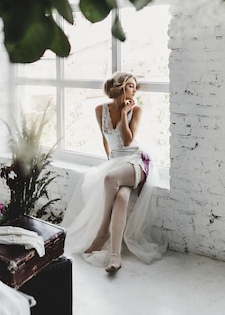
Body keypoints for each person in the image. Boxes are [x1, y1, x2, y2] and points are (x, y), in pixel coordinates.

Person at [61, 72, 167, 273]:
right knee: (121, 198)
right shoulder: (100, 110)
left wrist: (127, 112)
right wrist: (110, 162)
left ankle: (102, 232)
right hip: (118, 162)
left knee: (110, 178)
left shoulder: (136, 110)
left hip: (137, 161)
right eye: (131, 86)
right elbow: (105, 139)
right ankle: (115, 257)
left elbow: (127, 141)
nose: (134, 90)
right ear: (120, 87)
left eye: (135, 87)